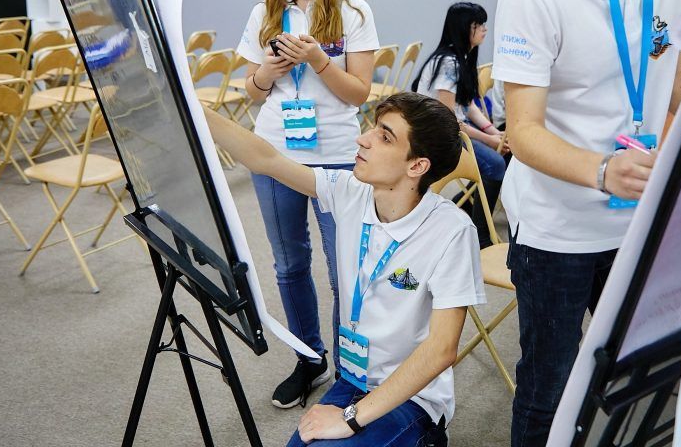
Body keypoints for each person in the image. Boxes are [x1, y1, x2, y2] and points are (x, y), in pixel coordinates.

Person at [491, 0, 681, 445]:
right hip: (557, 228)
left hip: (639, 218)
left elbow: (670, 69)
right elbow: (522, 132)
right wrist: (604, 170)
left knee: (640, 373)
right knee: (549, 387)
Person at [203, 93, 485, 447]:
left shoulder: (452, 231)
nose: (363, 139)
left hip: (414, 398)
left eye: (384, 137)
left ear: (417, 166)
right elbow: (267, 159)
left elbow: (442, 349)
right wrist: (193, 107)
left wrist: (350, 418)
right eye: (373, 129)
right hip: (353, 379)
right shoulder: (351, 191)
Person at [237, 0, 380, 408]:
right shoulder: (264, 13)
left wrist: (318, 59)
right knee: (290, 264)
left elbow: (359, 93)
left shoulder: (353, 11)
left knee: (344, 271)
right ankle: (309, 358)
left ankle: (347, 370)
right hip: (273, 155)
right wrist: (269, 71)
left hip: (338, 157)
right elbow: (252, 91)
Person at [411, 2, 508, 249]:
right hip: (437, 135)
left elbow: (467, 105)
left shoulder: (462, 57)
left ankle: (462, 205)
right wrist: (490, 140)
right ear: (464, 28)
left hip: (453, 129)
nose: (485, 29)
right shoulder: (448, 63)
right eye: (479, 25)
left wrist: (493, 132)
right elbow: (450, 120)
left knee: (503, 155)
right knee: (496, 164)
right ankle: (482, 236)